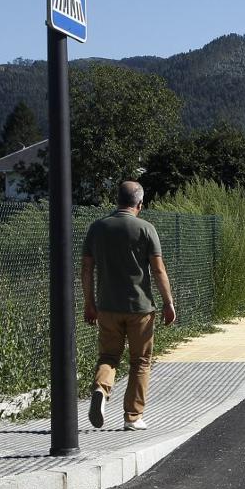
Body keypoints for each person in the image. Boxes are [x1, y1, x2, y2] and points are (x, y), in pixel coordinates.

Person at [82, 181, 177, 431]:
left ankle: (101, 391)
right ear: (140, 204)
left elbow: (86, 269)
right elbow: (158, 270)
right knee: (141, 361)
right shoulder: (146, 228)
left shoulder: (97, 228)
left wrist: (89, 303)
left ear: (117, 200)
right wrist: (168, 303)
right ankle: (132, 417)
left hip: (107, 307)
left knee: (108, 356)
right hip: (140, 309)